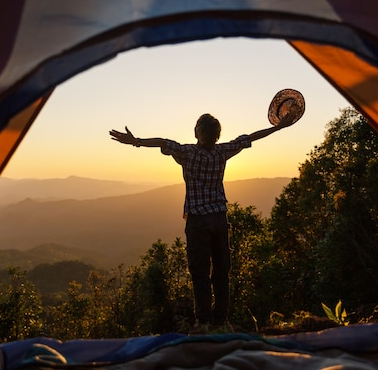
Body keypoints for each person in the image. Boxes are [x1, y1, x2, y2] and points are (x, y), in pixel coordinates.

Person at [109, 111, 297, 332]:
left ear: (197, 132)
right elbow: (251, 137)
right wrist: (278, 127)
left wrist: (136, 142)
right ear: (217, 136)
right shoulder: (222, 151)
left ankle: (203, 322)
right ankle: (221, 320)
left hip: (198, 221)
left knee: (200, 273)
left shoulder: (188, 152)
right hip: (219, 218)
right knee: (221, 272)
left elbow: (162, 142)